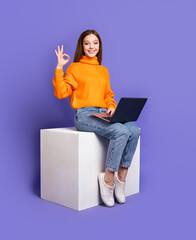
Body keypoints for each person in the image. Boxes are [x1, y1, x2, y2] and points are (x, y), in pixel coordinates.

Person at [52, 29, 140, 207]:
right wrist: (60, 67)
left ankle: (121, 178)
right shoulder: (75, 67)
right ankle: (108, 179)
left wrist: (111, 107)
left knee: (135, 130)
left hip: (103, 113)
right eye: (87, 43)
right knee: (121, 131)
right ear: (82, 47)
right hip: (84, 115)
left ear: (99, 46)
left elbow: (108, 95)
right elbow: (61, 93)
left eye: (95, 43)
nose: (91, 47)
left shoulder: (103, 70)